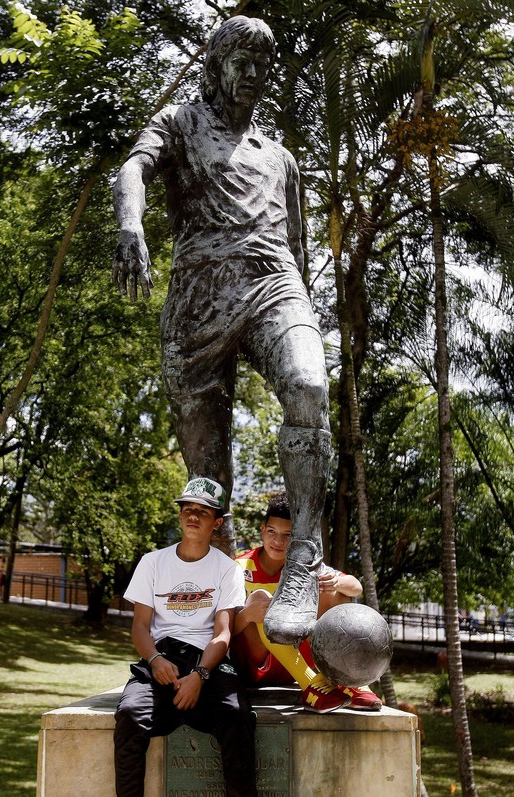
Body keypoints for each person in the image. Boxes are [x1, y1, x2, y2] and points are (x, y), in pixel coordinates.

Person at [112, 15, 331, 647]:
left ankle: (303, 559)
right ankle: (227, 615)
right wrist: (131, 224)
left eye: (265, 66)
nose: (255, 76)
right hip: (198, 303)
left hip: (272, 282)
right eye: (243, 62)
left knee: (307, 386)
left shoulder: (280, 159)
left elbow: (298, 248)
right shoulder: (181, 126)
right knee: (209, 480)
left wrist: (303, 314)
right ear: (215, 64)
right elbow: (133, 169)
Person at [113, 477, 257, 797]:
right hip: (161, 657)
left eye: (202, 512)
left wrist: (200, 675)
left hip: (207, 660)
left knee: (237, 715)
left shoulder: (227, 569)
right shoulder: (152, 562)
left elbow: (222, 632)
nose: (192, 516)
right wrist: (154, 660)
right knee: (129, 715)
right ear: (180, 516)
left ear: (216, 522)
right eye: (187, 509)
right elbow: (140, 626)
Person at [232, 492, 382, 712]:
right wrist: (247, 614)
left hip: (295, 655)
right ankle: (310, 685)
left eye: (287, 535)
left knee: (334, 592)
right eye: (272, 532)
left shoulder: (303, 565)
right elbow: (222, 628)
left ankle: (348, 680)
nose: (278, 541)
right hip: (255, 664)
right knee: (263, 600)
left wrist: (336, 582)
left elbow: (355, 587)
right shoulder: (238, 567)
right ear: (263, 531)